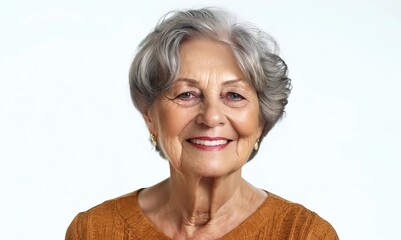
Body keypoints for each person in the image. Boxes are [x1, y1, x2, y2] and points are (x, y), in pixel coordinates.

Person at [66, 8, 338, 240]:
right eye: (187, 94)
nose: (210, 117)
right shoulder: (94, 231)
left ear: (262, 120)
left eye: (234, 95)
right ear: (150, 115)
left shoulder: (302, 234)